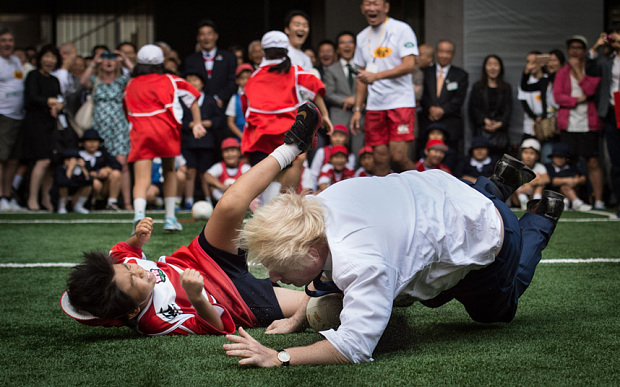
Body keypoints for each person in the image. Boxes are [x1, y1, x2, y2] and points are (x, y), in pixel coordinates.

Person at [220, 102, 564, 367]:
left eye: (278, 267)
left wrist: (280, 356)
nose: (275, 278)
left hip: (487, 230)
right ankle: (497, 182)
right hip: (445, 191)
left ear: (310, 248)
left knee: (496, 313)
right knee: (425, 293)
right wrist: (297, 318)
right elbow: (324, 275)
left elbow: (352, 348)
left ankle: (541, 218)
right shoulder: (315, 206)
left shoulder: (362, 261)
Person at [240, 31, 332, 204]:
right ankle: (278, 207)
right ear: (286, 50)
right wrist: (325, 115)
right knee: (282, 169)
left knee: (266, 172)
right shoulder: (295, 71)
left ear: (264, 52)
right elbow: (315, 86)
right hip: (287, 132)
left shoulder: (254, 76)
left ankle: (268, 210)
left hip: (260, 134)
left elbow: (245, 105)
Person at [123, 44, 207, 232]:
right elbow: (193, 97)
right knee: (169, 171)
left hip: (140, 130)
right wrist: (198, 123)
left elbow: (125, 110)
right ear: (162, 62)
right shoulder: (171, 80)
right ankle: (170, 218)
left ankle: (138, 215)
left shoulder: (131, 84)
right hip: (165, 130)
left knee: (141, 178)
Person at [350, 0, 419, 175]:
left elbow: (409, 65)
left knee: (399, 157)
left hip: (399, 102)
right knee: (379, 159)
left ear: (386, 7)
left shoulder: (402, 29)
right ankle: (385, 200)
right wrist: (357, 109)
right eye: (367, 4)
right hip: (375, 106)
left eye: (376, 3)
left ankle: (425, 188)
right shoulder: (361, 37)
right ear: (362, 9)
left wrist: (376, 76)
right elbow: (361, 76)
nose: (371, 8)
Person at [553, 35, 604, 210]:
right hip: (568, 123)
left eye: (578, 47)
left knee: (593, 162)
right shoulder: (561, 72)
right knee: (569, 163)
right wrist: (576, 100)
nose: (574, 50)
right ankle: (573, 200)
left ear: (585, 51)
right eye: (571, 47)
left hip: (589, 123)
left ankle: (598, 201)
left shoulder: (592, 69)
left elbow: (590, 90)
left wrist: (577, 71)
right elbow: (558, 96)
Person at [80, 49, 134, 210]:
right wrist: (93, 62)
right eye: (105, 59)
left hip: (119, 128)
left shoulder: (122, 80)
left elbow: (137, 75)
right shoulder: (95, 80)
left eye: (112, 59)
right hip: (99, 129)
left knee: (122, 165)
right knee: (98, 163)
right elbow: (82, 83)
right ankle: (97, 201)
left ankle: (126, 203)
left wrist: (125, 59)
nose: (108, 61)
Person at [22, 44, 64, 211]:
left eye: (53, 57)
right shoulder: (33, 76)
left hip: (51, 124)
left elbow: (60, 99)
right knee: (43, 160)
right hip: (35, 123)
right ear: (40, 58)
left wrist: (59, 106)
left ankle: (46, 199)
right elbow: (31, 98)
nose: (49, 60)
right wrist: (51, 101)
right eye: (46, 56)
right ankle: (32, 199)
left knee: (51, 163)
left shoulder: (54, 80)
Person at [588, 24, 620, 217]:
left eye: (617, 33)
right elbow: (591, 70)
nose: (614, 37)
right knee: (616, 162)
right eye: (613, 33)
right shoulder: (608, 61)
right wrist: (596, 48)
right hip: (613, 111)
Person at [181, 72, 223, 210]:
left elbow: (220, 118)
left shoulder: (211, 100)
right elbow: (178, 118)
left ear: (202, 83)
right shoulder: (182, 100)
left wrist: (210, 123)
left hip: (207, 141)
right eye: (189, 80)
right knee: (190, 171)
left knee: (204, 172)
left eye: (195, 80)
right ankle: (188, 201)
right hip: (189, 141)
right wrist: (189, 125)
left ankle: (208, 200)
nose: (193, 83)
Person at [420, 40, 469, 156]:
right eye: (441, 51)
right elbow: (422, 94)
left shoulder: (460, 74)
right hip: (428, 121)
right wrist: (430, 108)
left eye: (448, 52)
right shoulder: (425, 72)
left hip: (450, 125)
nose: (444, 55)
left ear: (453, 55)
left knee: (451, 160)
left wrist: (442, 110)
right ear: (436, 53)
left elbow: (459, 99)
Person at [323, 31, 364, 157]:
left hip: (360, 115)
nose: (347, 45)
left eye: (350, 42)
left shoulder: (363, 67)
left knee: (359, 152)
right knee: (338, 154)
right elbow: (328, 93)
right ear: (337, 49)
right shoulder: (331, 69)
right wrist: (347, 100)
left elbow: (370, 88)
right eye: (342, 43)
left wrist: (356, 100)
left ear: (355, 47)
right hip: (339, 115)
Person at [183, 19, 237, 112]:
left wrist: (219, 97)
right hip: (198, 108)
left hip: (223, 107)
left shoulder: (229, 57)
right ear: (198, 37)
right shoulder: (190, 60)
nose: (206, 37)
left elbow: (233, 81)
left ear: (216, 36)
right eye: (202, 34)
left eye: (209, 33)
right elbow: (188, 84)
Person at [468, 54, 513, 158]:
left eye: (496, 65)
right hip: (482, 131)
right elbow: (473, 108)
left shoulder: (506, 88)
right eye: (490, 64)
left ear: (501, 68)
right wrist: (484, 120)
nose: (493, 68)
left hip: (500, 134)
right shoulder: (478, 87)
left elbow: (508, 109)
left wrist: (499, 123)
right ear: (485, 67)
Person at [0, 28, 25, 211]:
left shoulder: (16, 60)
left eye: (10, 40)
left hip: (18, 116)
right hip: (3, 115)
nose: (7, 43)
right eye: (3, 40)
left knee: (13, 160)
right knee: (1, 158)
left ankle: (8, 197)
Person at [79, 129, 122, 211]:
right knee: (95, 183)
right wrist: (89, 174)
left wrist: (107, 170)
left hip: (103, 188)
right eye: (89, 141)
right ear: (83, 142)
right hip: (85, 186)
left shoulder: (103, 153)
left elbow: (117, 165)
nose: (92, 144)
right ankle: (90, 203)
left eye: (95, 141)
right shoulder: (78, 155)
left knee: (116, 173)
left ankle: (112, 203)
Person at [306, 124, 356, 192]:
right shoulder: (322, 152)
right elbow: (314, 173)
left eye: (341, 136)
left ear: (346, 139)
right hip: (324, 188)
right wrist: (312, 190)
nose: (338, 139)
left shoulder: (351, 155)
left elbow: (350, 176)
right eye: (334, 136)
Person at [545, 142, 591, 211]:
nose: (559, 159)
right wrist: (567, 180)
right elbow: (550, 181)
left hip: (572, 190)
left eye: (562, 157)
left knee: (566, 187)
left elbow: (583, 178)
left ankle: (569, 202)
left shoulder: (572, 167)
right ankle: (576, 202)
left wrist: (576, 181)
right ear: (553, 157)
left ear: (566, 158)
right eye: (557, 156)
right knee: (564, 187)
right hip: (554, 194)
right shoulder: (548, 167)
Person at [205, 137, 251, 202]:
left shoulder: (245, 167)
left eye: (232, 151)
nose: (229, 154)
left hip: (240, 198)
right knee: (212, 186)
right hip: (222, 197)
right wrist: (220, 186)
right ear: (222, 154)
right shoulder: (220, 166)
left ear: (239, 153)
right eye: (226, 151)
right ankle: (221, 203)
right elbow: (207, 176)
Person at [514, 138, 549, 210]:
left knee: (539, 185)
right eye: (525, 152)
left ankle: (536, 203)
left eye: (532, 153)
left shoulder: (540, 167)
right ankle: (523, 202)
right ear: (521, 154)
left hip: (532, 193)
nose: (528, 156)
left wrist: (530, 184)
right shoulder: (518, 166)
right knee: (516, 184)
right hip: (518, 197)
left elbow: (547, 179)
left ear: (537, 156)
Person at [54, 147, 91, 214]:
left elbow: (89, 181)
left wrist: (83, 168)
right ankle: (62, 207)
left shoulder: (80, 169)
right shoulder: (60, 169)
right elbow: (62, 183)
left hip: (76, 194)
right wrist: (70, 169)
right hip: (63, 195)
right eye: (68, 159)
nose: (72, 162)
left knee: (88, 187)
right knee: (62, 187)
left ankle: (78, 206)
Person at [225, 63, 254, 140]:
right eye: (242, 78)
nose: (246, 80)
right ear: (237, 80)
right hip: (240, 140)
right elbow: (230, 122)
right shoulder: (235, 99)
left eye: (248, 77)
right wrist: (243, 137)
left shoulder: (260, 97)